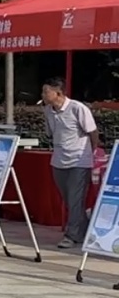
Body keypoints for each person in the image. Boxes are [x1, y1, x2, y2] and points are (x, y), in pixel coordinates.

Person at [42, 78, 102, 251]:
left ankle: (71, 236)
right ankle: (85, 227)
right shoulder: (48, 111)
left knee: (75, 199)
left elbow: (93, 132)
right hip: (59, 161)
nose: (43, 95)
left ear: (58, 93)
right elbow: (50, 134)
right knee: (69, 199)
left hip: (79, 161)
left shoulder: (77, 108)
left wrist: (91, 152)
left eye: (46, 91)